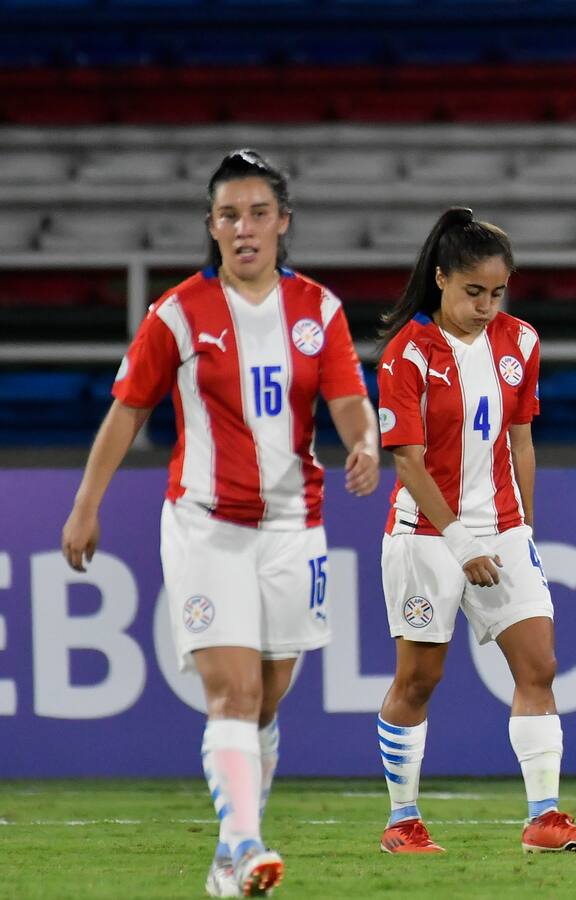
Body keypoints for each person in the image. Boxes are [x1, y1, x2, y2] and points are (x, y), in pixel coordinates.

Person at [60, 149, 380, 896]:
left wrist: (363, 440)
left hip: (294, 527)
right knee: (231, 694)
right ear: (211, 226)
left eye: (258, 213)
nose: (244, 227)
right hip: (206, 526)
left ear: (283, 223)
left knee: (267, 700)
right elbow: (128, 409)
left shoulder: (318, 310)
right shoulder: (177, 312)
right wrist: (86, 503)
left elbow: (346, 400)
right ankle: (241, 844)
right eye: (229, 215)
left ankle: (228, 861)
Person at [372, 207, 576, 855]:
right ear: (441, 279)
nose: (485, 306)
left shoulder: (520, 342)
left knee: (540, 664)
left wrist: (524, 526)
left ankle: (545, 818)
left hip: (501, 532)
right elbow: (408, 462)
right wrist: (458, 540)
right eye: (473, 292)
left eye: (496, 293)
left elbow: (521, 440)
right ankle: (403, 820)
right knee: (419, 680)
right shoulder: (407, 355)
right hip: (424, 536)